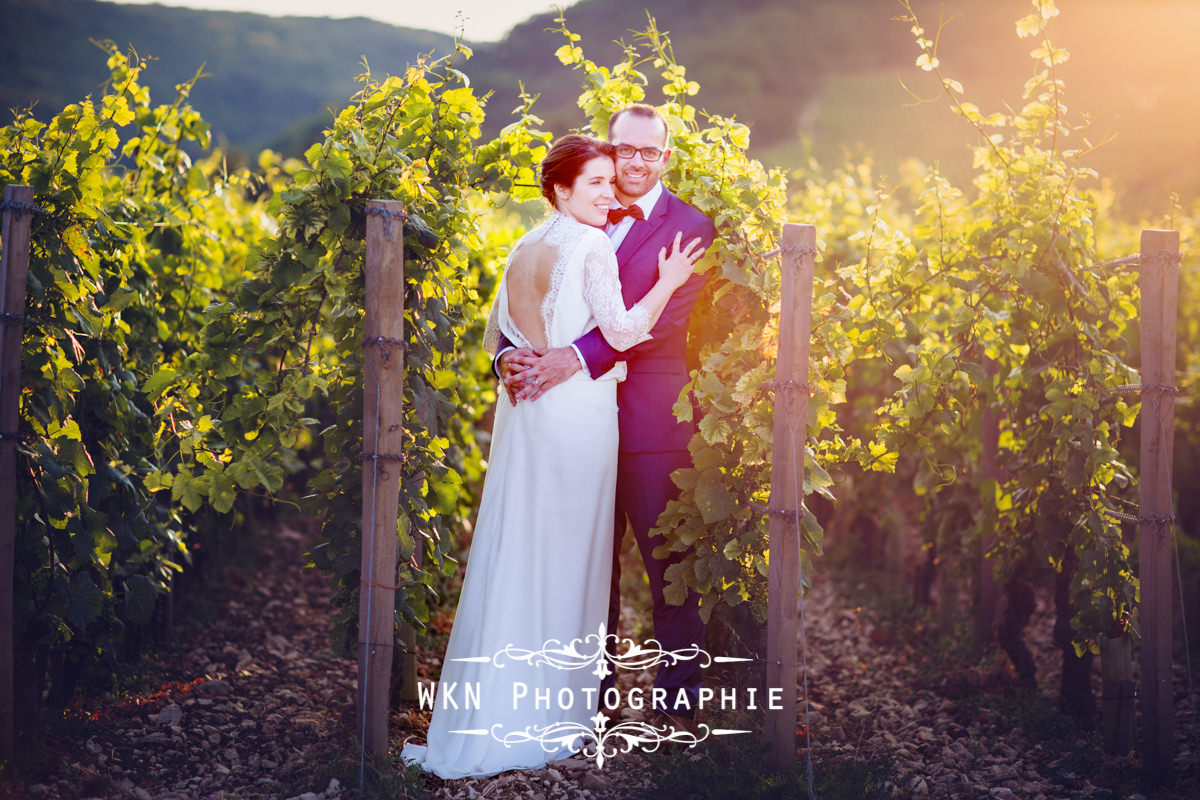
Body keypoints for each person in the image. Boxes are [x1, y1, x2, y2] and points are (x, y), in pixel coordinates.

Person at [400, 134, 705, 779]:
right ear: (562, 190)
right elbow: (623, 333)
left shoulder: (523, 244)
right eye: (593, 183)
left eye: (608, 182)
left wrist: (513, 359)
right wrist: (669, 282)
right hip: (576, 413)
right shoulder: (592, 244)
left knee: (523, 547)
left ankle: (500, 712)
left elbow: (497, 335)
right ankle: (550, 719)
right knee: (571, 556)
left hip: (527, 412)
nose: (607, 192)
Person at [496, 105, 717, 725]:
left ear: (666, 157)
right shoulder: (575, 218)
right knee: (586, 559)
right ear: (610, 151)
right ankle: (585, 701)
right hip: (576, 421)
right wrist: (514, 359)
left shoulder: (691, 225)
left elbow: (662, 324)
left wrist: (570, 358)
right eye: (626, 150)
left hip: (649, 423)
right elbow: (532, 301)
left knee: (664, 563)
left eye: (651, 152)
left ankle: (679, 707)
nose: (637, 162)